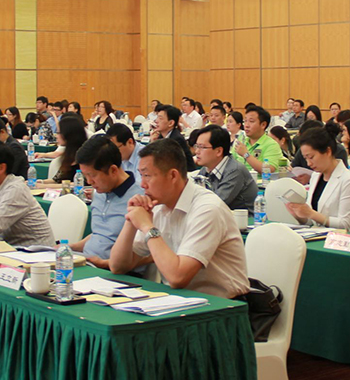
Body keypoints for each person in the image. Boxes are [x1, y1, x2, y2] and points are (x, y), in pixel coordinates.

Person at [109, 139, 249, 299]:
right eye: (141, 176)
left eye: (147, 176)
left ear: (173, 175)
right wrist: (131, 220)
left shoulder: (208, 209)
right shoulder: (158, 205)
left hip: (222, 305)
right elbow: (117, 266)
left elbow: (177, 278)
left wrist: (147, 227)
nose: (142, 184)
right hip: (178, 301)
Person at [70, 136, 145, 269]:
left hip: (117, 272)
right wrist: (72, 247)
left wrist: (106, 263)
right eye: (85, 176)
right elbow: (101, 233)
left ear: (113, 170)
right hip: (87, 263)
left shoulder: (140, 198)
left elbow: (150, 252)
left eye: (92, 175)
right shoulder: (100, 191)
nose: (89, 182)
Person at [285, 129, 350, 231]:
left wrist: (311, 213)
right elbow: (312, 221)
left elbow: (345, 224)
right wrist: (298, 214)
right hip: (316, 234)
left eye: (311, 157)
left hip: (337, 237)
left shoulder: (348, 180)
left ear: (328, 151)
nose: (309, 163)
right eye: (305, 158)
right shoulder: (316, 176)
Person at [193, 125, 258, 212]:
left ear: (219, 151)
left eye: (202, 147)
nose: (197, 151)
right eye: (197, 146)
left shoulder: (235, 170)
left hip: (246, 219)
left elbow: (215, 204)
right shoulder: (206, 168)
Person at [233, 106, 286, 172]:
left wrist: (246, 155)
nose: (246, 125)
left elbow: (268, 170)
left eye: (251, 121)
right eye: (245, 121)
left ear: (263, 125)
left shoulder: (272, 145)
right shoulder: (241, 141)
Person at [42, 115, 88, 184]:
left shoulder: (85, 155)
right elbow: (57, 180)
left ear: (68, 134)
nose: (56, 136)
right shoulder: (68, 154)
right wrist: (41, 182)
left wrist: (43, 186)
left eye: (58, 133)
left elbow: (78, 183)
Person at [151, 105, 197, 172]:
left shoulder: (176, 139)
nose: (156, 121)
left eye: (160, 118)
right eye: (157, 117)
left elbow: (163, 161)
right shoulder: (160, 136)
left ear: (171, 123)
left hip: (185, 174)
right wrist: (153, 142)